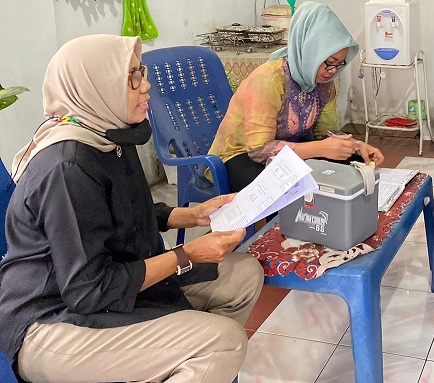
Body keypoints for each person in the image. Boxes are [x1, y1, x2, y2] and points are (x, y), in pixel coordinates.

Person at [0, 34, 264, 383]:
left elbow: (118, 211)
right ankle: (193, 356)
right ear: (97, 85)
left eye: (142, 71)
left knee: (244, 275)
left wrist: (191, 215)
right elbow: (88, 289)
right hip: (53, 322)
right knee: (224, 343)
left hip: (113, 286)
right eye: (133, 77)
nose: (146, 86)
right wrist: (187, 254)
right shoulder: (68, 168)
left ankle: (179, 364)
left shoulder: (108, 135)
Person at [208, 1, 384, 192]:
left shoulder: (324, 83)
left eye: (340, 64)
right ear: (309, 50)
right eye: (329, 62)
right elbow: (259, 150)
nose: (332, 71)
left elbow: (324, 134)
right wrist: (321, 149)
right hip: (239, 156)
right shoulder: (269, 80)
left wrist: (355, 146)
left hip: (288, 150)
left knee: (355, 166)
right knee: (289, 188)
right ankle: (296, 222)